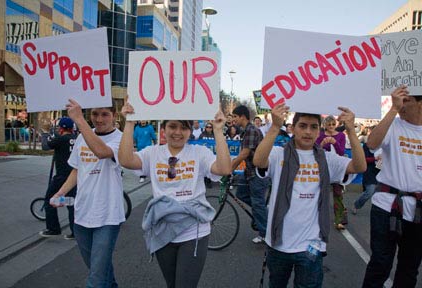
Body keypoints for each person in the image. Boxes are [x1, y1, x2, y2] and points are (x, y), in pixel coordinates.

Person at [118, 100, 231, 288]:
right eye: (172, 126)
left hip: (194, 231)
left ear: (190, 131)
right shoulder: (153, 153)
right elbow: (125, 160)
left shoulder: (199, 152)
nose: (177, 132)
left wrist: (219, 130)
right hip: (163, 230)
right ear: (163, 128)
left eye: (184, 127)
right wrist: (130, 122)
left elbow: (224, 168)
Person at [253, 104, 366, 288]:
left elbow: (360, 167)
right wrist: (275, 127)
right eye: (302, 125)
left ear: (319, 130)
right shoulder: (278, 154)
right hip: (279, 244)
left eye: (313, 127)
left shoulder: (327, 159)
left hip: (311, 247)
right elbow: (258, 160)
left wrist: (351, 131)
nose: (308, 131)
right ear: (293, 128)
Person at [51, 99, 125, 287]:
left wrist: (79, 120)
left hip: (107, 216)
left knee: (96, 278)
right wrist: (60, 192)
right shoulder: (83, 136)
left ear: (114, 116)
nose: (99, 119)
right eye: (94, 114)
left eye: (104, 114)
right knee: (100, 269)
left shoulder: (121, 138)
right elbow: (77, 169)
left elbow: (101, 151)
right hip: (81, 213)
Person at [361, 86, 422, 288]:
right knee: (380, 263)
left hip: (417, 211)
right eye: (399, 100)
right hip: (386, 207)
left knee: (409, 267)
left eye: (407, 101)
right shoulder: (393, 125)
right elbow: (371, 143)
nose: (402, 105)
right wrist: (393, 109)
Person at [231, 105, 270, 244]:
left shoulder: (252, 130)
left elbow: (244, 153)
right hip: (248, 172)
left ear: (242, 116)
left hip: (257, 173)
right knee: (240, 194)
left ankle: (265, 233)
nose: (233, 119)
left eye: (235, 116)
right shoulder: (245, 131)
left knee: (257, 202)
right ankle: (263, 213)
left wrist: (229, 169)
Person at [39, 117, 77, 239]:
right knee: (72, 203)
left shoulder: (61, 139)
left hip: (62, 176)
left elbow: (45, 146)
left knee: (49, 200)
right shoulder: (76, 138)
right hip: (75, 176)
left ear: (61, 128)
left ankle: (53, 228)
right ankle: (75, 232)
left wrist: (45, 133)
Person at [316, 115, 347, 230]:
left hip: (337, 168)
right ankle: (317, 219)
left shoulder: (341, 136)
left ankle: (339, 220)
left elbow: (341, 151)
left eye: (333, 124)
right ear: (325, 125)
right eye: (329, 124)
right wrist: (322, 144)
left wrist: (335, 142)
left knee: (338, 194)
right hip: (323, 167)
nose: (331, 127)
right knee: (320, 194)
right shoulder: (320, 135)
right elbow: (316, 150)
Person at [352, 143, 381, 215]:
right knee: (369, 192)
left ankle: (378, 212)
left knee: (378, 194)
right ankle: (356, 204)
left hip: (381, 172)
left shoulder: (384, 145)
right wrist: (374, 158)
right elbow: (363, 159)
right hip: (369, 171)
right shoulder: (367, 145)